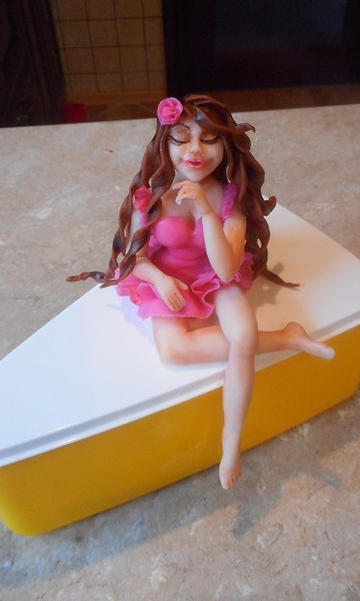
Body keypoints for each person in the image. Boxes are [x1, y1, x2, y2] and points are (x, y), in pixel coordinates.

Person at [69, 95, 334, 489]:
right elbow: (134, 259)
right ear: (165, 143)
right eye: (182, 138)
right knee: (174, 350)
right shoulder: (149, 197)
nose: (195, 150)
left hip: (216, 274)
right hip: (170, 278)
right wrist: (160, 280)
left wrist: (207, 212)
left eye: (209, 140)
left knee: (243, 335)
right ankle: (286, 337)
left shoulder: (229, 198)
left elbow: (226, 268)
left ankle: (232, 438)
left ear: (226, 146)